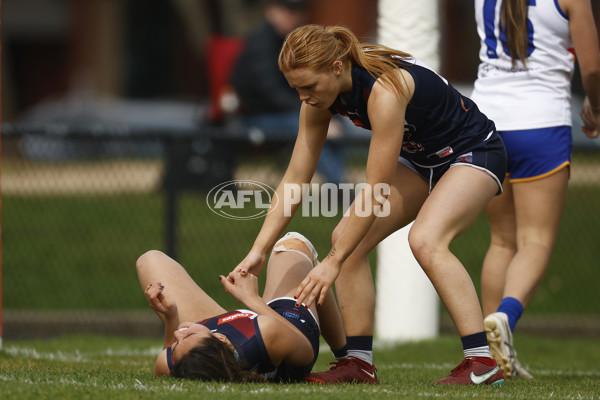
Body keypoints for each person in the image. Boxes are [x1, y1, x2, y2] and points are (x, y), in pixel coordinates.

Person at [229, 24, 508, 385]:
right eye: (295, 88)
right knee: (347, 238)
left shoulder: (385, 91)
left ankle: (482, 363)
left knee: (425, 240)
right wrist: (259, 250)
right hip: (424, 160)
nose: (303, 97)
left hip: (474, 150)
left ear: (336, 68)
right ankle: (359, 365)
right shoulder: (317, 99)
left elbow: (375, 189)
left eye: (309, 87)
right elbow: (294, 180)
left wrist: (332, 262)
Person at [470, 0, 600, 380]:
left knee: (501, 241)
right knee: (535, 241)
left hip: (487, 121)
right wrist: (594, 103)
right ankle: (505, 318)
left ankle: (490, 361)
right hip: (540, 121)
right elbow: (592, 67)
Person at [137, 232, 347, 382]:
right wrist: (252, 299)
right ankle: (346, 357)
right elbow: (306, 351)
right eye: (187, 337)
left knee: (149, 260)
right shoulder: (264, 335)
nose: (178, 334)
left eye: (176, 346)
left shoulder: (179, 361)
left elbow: (170, 353)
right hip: (289, 329)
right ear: (218, 339)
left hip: (236, 329)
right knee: (293, 243)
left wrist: (171, 317)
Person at [230, 0, 366, 184]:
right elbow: (271, 94)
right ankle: (340, 188)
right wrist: (311, 107)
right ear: (271, 11)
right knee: (307, 123)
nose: (292, 16)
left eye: (297, 10)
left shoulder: (295, 42)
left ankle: (339, 184)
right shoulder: (260, 45)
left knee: (335, 117)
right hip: (257, 117)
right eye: (287, 9)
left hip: (291, 112)